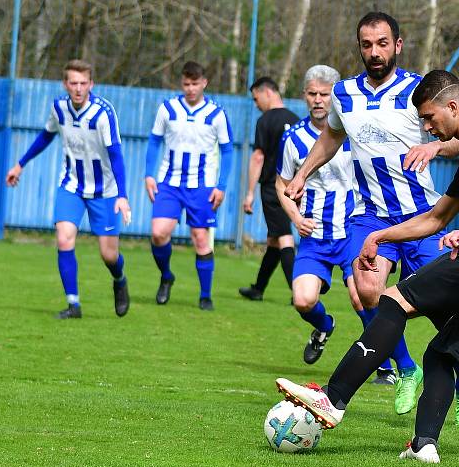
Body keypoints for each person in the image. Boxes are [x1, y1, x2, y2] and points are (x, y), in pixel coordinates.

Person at [277, 70, 459, 463]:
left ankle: (333, 399)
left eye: (428, 117)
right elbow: (436, 218)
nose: (425, 127)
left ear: (452, 106)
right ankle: (425, 445)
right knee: (442, 352)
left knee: (392, 302)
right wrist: (381, 237)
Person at [284, 12, 459, 428]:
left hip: (422, 215)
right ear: (360, 47)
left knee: (445, 312)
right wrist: (302, 174)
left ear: (398, 45)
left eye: (382, 43)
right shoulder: (343, 94)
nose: (375, 52)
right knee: (367, 292)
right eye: (367, 45)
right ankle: (406, 366)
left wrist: (433, 150)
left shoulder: (416, 90)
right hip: (369, 216)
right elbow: (333, 137)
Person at [5, 59, 131, 319]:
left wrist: (123, 195)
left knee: (109, 255)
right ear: (65, 84)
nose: (78, 88)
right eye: (73, 83)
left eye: (83, 83)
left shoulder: (103, 112)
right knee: (63, 238)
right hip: (72, 185)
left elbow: (116, 154)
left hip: (105, 191)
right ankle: (73, 304)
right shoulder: (59, 108)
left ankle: (119, 279)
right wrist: (20, 164)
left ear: (91, 84)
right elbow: (46, 136)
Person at [275, 64, 364, 365]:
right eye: (312, 93)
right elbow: (281, 184)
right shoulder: (293, 138)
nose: (318, 100)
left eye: (324, 94)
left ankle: (384, 363)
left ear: (334, 96)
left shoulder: (354, 134)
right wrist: (296, 218)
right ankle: (324, 327)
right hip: (314, 234)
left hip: (352, 229)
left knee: (361, 296)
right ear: (304, 96)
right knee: (302, 300)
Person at [144, 61, 234, 311]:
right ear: (181, 83)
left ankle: (205, 295)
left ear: (204, 83)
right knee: (159, 233)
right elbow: (153, 141)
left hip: (202, 186)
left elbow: (227, 151)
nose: (191, 88)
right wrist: (148, 175)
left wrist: (221, 185)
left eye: (195, 83)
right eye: (186, 84)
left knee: (201, 239)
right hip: (169, 183)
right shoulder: (167, 108)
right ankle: (166, 276)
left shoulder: (216, 113)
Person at [239, 77, 299, 302]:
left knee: (283, 237)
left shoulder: (264, 121)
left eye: (256, 98)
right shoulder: (296, 120)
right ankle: (258, 288)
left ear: (267, 93)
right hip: (294, 187)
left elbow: (258, 157)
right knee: (274, 238)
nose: (256, 104)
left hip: (273, 188)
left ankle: (299, 292)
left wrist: (250, 192)